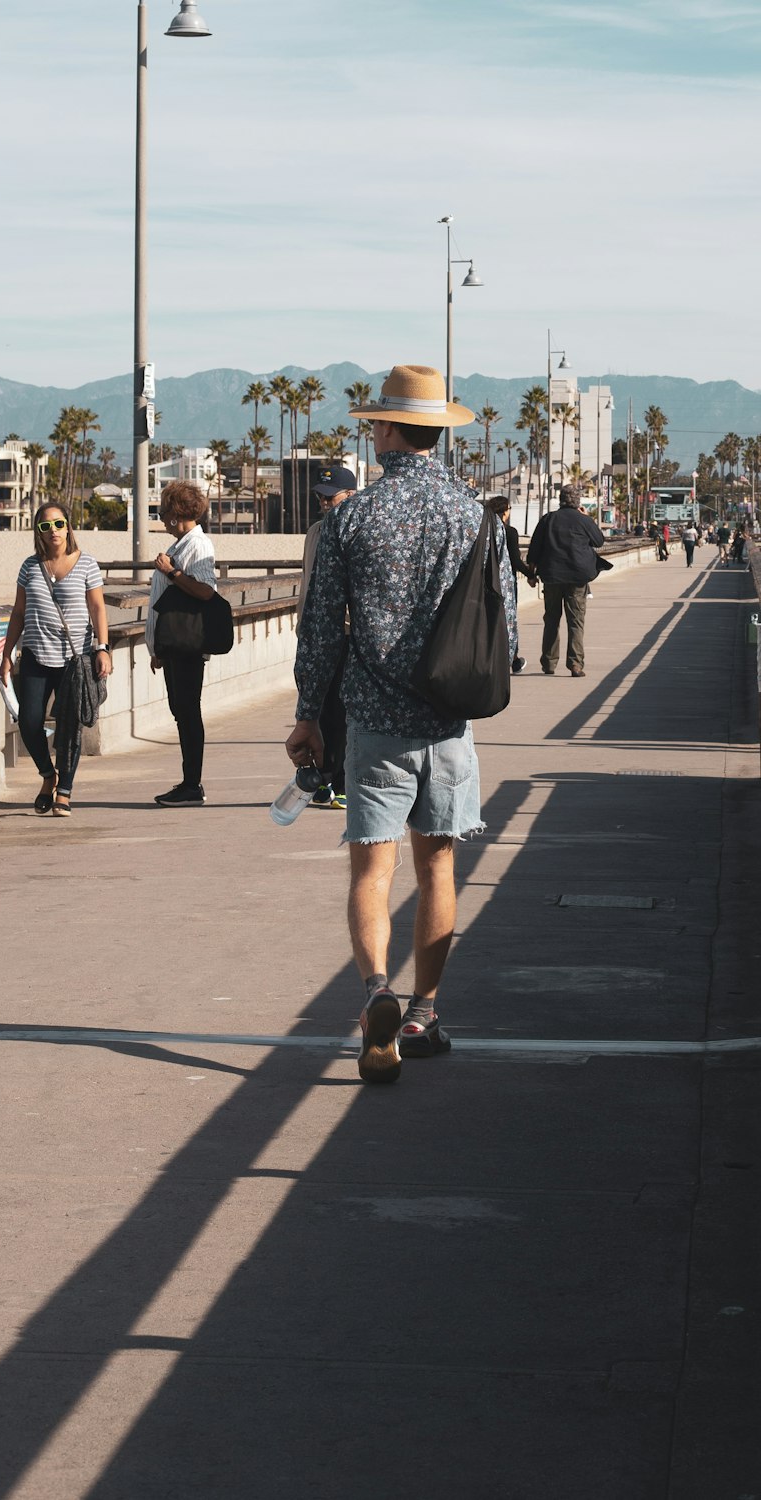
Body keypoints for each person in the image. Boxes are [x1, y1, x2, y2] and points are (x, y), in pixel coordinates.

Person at [288, 364, 517, 1086]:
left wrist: (307, 715)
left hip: (374, 720)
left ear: (386, 430)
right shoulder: (477, 517)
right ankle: (423, 1013)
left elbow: (321, 631)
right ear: (438, 431)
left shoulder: (349, 519)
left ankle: (374, 992)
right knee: (439, 865)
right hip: (448, 723)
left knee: (372, 868)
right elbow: (504, 631)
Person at [1, 502, 112, 817]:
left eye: (58, 524)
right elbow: (19, 612)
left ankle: (64, 791)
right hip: (35, 655)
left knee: (68, 727)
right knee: (29, 721)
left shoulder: (87, 564)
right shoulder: (29, 566)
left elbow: (98, 608)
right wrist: (7, 654)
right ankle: (48, 776)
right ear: (37, 531)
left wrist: (102, 647)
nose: (53, 531)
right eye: (45, 526)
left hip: (74, 660)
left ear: (68, 527)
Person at [147, 481, 218, 807]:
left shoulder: (198, 546)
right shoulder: (182, 544)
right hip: (174, 646)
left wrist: (171, 572)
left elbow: (204, 590)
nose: (161, 519)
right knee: (182, 712)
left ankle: (192, 784)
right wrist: (158, 648)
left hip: (187, 644)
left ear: (177, 514)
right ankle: (190, 782)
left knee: (188, 713)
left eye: (163, 512)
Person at [298, 464, 357, 809]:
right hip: (314, 636)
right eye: (319, 496)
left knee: (343, 712)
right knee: (317, 711)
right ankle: (321, 780)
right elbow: (307, 582)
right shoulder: (315, 533)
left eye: (329, 496)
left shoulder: (356, 532)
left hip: (347, 635)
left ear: (350, 495)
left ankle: (343, 782)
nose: (323, 502)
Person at [527, 483, 605, 678]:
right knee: (576, 621)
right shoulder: (583, 520)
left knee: (551, 619)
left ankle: (549, 663)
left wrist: (531, 573)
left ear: (560, 500)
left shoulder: (548, 519)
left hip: (552, 576)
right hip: (577, 577)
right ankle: (576, 664)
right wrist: (587, 517)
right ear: (577, 501)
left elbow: (534, 549)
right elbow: (599, 541)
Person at [487, 495, 532, 673]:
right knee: (509, 619)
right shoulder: (509, 532)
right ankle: (513, 659)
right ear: (505, 512)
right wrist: (531, 574)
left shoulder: (485, 528)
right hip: (505, 582)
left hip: (486, 580)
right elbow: (516, 561)